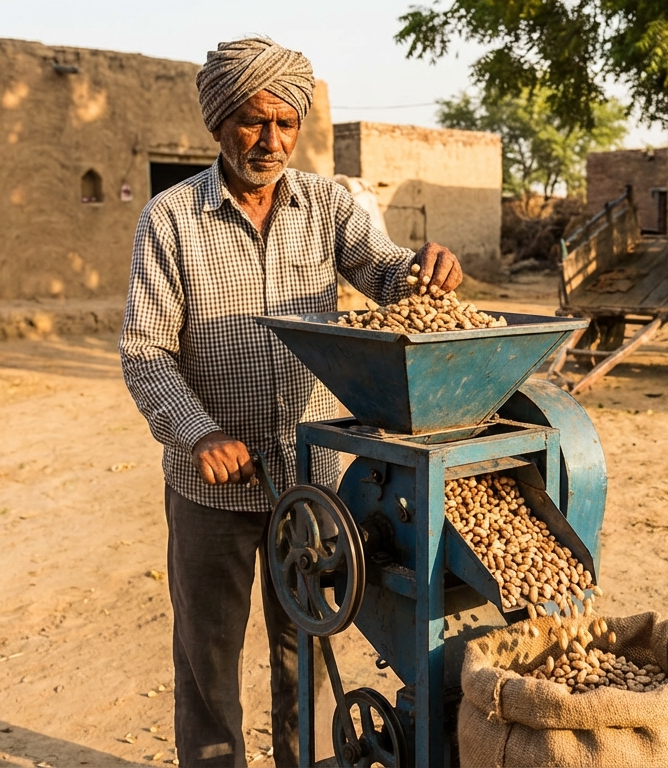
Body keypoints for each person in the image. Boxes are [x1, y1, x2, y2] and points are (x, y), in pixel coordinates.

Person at [119, 37, 465, 768]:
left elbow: (381, 270)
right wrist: (199, 432)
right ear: (218, 124)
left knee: (302, 653)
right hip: (210, 488)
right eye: (253, 121)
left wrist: (422, 269)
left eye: (285, 123)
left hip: (308, 485)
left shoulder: (327, 205)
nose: (271, 140)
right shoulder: (171, 220)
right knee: (208, 660)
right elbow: (145, 351)